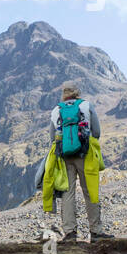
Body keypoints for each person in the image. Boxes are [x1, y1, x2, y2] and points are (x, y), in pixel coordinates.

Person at [50, 83, 111, 241]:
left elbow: (52, 138)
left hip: (64, 157)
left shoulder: (56, 110)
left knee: (67, 194)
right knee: (90, 191)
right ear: (77, 93)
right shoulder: (86, 105)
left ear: (64, 95)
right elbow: (96, 131)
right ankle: (96, 232)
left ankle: (70, 233)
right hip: (85, 154)